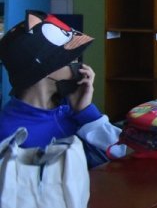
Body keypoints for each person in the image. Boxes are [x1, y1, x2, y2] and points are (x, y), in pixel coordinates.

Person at [0, 11, 121, 166]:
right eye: (70, 59)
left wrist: (86, 113)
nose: (81, 65)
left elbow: (124, 153)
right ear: (43, 70)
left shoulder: (71, 108)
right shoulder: (10, 132)